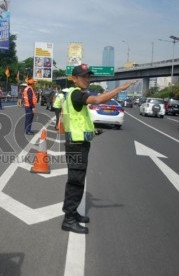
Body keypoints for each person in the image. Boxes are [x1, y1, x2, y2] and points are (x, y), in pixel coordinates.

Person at [61, 64, 135, 234]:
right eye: (84, 76)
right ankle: (69, 219)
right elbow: (97, 100)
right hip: (76, 146)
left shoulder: (75, 95)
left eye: (89, 76)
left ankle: (72, 213)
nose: (87, 79)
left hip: (79, 143)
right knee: (75, 182)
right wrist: (119, 88)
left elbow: (77, 120)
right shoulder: (77, 94)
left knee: (77, 180)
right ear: (74, 78)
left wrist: (91, 131)